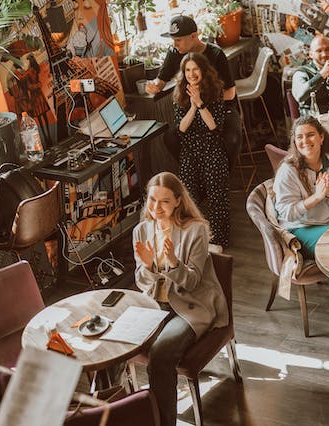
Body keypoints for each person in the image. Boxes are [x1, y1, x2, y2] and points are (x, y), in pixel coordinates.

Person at [133, 171, 229, 426]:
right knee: (117, 342)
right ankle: (119, 414)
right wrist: (149, 266)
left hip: (191, 307)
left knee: (161, 354)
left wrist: (173, 262)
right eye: (153, 200)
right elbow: (142, 282)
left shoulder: (195, 230)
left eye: (164, 201)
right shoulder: (142, 231)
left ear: (178, 200)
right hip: (156, 305)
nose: (157, 207)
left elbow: (193, 282)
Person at [273, 115, 329, 348]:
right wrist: (316, 198)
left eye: (311, 134)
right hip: (302, 229)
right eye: (300, 136)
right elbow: (287, 212)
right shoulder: (288, 170)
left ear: (321, 137)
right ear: (294, 141)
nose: (306, 141)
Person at [146, 15, 242, 172]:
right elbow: (161, 80)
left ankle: (222, 175)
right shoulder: (174, 52)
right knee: (172, 139)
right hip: (190, 111)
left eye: (179, 40)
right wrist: (154, 86)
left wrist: (202, 102)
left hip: (221, 108)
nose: (174, 44)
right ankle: (196, 173)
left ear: (194, 36)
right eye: (173, 40)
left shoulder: (216, 54)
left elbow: (230, 92)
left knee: (231, 139)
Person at [173, 53, 230, 251]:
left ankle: (219, 239)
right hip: (190, 151)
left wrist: (200, 103)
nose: (191, 74)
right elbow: (181, 128)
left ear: (203, 69)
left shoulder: (216, 90)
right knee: (188, 196)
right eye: (187, 70)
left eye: (195, 69)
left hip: (212, 149)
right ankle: (194, 238)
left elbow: (214, 126)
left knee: (217, 196)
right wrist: (192, 106)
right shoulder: (180, 92)